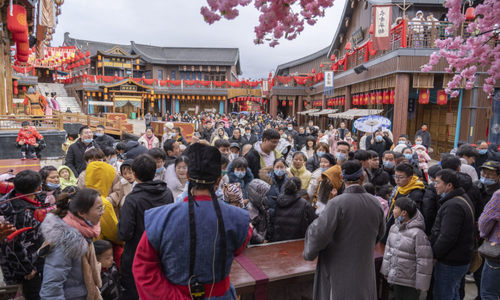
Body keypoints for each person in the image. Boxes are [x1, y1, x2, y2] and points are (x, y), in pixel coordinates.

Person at [132, 143, 252, 299]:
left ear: (188, 177)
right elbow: (239, 245)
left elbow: (143, 267)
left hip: (173, 295)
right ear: (219, 180)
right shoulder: (239, 218)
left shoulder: (160, 219)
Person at [303, 159, 386, 300]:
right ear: (362, 177)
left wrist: (309, 253)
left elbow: (319, 233)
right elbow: (380, 233)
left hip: (337, 268)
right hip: (364, 264)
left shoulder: (336, 204)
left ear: (342, 178)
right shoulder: (375, 203)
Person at [118, 154, 173, 300]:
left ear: (134, 174)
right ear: (154, 172)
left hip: (138, 254)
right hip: (163, 252)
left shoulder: (132, 199)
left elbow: (124, 233)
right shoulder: (166, 193)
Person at [39, 189, 103, 299]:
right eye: (99, 208)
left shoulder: (84, 231)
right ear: (82, 212)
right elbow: (51, 288)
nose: (102, 212)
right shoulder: (67, 240)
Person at [431, 169, 476, 299]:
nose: (435, 185)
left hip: (451, 261)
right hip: (459, 258)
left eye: (438, 182)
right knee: (453, 292)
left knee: (444, 294)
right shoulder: (461, 198)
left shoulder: (453, 205)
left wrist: (435, 254)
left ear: (449, 185)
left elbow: (447, 237)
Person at [0, 170, 45, 299]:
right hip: (24, 272)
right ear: (39, 188)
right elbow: (13, 245)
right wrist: (27, 269)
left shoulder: (8, 199)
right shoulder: (21, 213)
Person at [380, 197, 433, 300]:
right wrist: (386, 271)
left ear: (404, 212)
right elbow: (388, 251)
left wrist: (421, 284)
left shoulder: (418, 234)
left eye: (395, 208)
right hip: (396, 278)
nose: (393, 210)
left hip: (410, 282)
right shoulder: (394, 228)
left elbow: (424, 260)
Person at [271, 177, 316, 242]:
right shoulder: (305, 204)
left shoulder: (278, 201)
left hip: (279, 242)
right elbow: (313, 224)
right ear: (300, 188)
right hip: (297, 243)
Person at [478, 189, 500, 300]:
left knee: (489, 293)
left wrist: (484, 234)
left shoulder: (498, 195)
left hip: (497, 250)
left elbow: (485, 221)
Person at [247, 179, 271, 244]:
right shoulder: (251, 208)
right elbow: (250, 228)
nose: (265, 197)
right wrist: (261, 240)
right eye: (263, 194)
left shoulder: (262, 204)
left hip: (265, 238)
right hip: (256, 243)